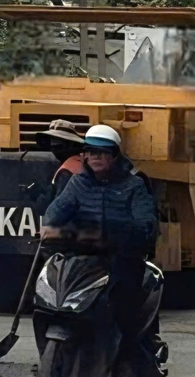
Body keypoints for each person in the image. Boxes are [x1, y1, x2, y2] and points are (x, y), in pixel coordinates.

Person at [40, 124, 159, 341]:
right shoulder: (77, 183)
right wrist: (49, 228)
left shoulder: (134, 185)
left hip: (121, 257)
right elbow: (55, 213)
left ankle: (131, 357)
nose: (96, 156)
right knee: (49, 299)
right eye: (91, 152)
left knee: (124, 310)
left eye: (102, 152)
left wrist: (129, 232)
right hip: (84, 256)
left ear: (114, 155)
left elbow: (146, 222)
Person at [35, 120, 85, 197]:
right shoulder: (79, 162)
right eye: (52, 141)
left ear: (70, 144)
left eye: (57, 142)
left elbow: (58, 206)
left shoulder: (66, 172)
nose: (53, 147)